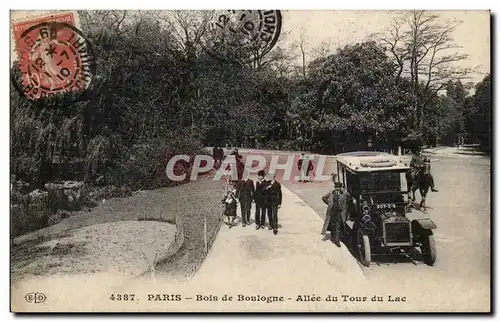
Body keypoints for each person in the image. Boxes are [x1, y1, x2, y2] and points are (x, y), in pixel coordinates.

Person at [321, 181, 350, 247]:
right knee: (332, 225)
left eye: (338, 187)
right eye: (336, 187)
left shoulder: (344, 193)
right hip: (332, 212)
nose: (337, 189)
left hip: (340, 213)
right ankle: (333, 238)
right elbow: (323, 197)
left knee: (338, 226)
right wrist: (329, 204)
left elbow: (349, 196)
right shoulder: (331, 193)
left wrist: (344, 190)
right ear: (335, 187)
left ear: (340, 187)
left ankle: (337, 241)